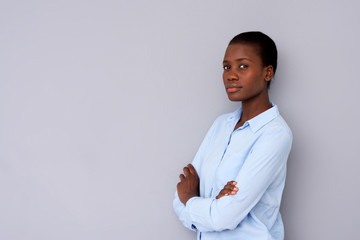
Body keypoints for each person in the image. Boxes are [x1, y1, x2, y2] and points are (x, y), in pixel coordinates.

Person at [173, 31, 292, 240]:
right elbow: (178, 198)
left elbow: (224, 217)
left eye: (243, 66)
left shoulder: (275, 134)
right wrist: (212, 204)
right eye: (227, 67)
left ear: (268, 73)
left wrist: (191, 198)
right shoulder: (220, 125)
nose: (231, 75)